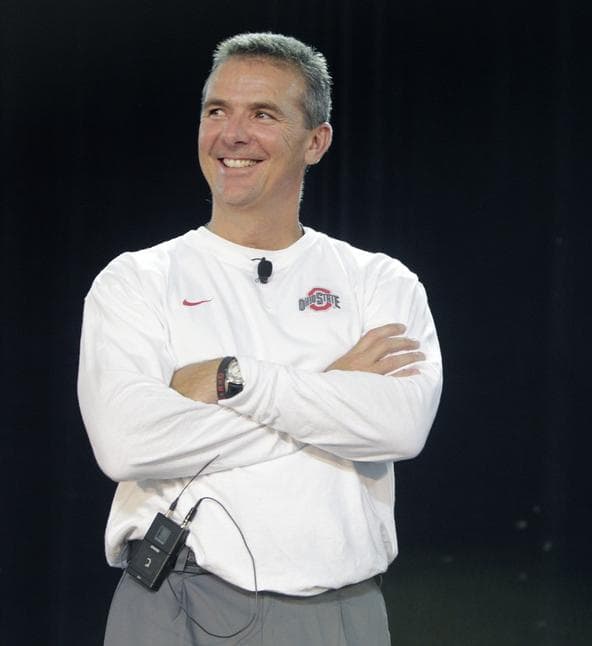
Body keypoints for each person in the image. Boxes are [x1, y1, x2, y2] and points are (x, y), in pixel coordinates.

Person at [78, 32, 442, 645]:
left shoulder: (378, 281)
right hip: (174, 603)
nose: (232, 134)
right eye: (216, 110)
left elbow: (398, 427)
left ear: (316, 142)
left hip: (338, 614)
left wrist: (231, 379)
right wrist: (332, 390)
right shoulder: (136, 279)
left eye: (263, 114)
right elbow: (126, 444)